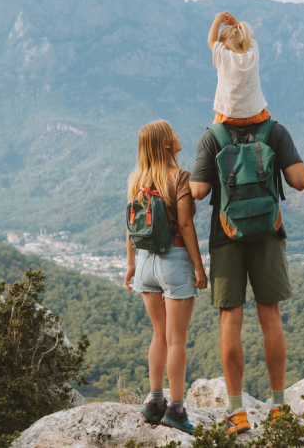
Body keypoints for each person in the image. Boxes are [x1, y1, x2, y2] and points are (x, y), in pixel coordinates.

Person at [189, 14, 304, 435]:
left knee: (230, 321)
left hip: (226, 237)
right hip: (269, 234)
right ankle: (279, 408)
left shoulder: (212, 137)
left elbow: (201, 191)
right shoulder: (274, 131)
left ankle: (237, 411)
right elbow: (299, 180)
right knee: (270, 317)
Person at [125, 120, 208, 435]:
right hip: (174, 261)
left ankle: (155, 401)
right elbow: (186, 225)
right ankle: (176, 409)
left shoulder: (137, 180)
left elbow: (130, 226)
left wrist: (131, 265)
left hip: (145, 262)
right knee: (177, 340)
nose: (178, 135)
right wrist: (199, 268)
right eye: (173, 133)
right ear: (164, 144)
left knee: (158, 335)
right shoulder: (180, 178)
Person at [208, 11, 271, 126]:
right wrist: (236, 23)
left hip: (227, 116)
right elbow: (252, 39)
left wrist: (217, 20)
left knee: (212, 132)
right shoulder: (253, 56)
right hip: (255, 115)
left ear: (223, 43)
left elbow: (211, 41)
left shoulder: (224, 57)